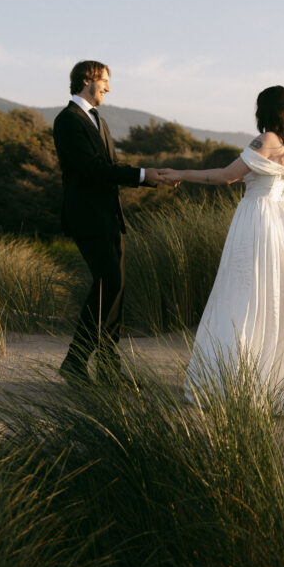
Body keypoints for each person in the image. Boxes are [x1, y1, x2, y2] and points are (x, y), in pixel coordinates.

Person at [159, 85, 284, 414]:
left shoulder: (264, 141)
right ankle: (280, 382)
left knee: (242, 295)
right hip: (282, 223)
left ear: (264, 110)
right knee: (279, 299)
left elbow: (225, 177)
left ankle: (234, 382)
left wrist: (180, 173)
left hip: (256, 221)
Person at [53, 59, 173, 384]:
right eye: (105, 80)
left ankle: (108, 368)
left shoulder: (98, 121)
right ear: (88, 79)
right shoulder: (67, 121)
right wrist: (143, 175)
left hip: (110, 218)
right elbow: (93, 169)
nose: (108, 86)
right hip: (86, 218)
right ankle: (75, 361)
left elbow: (112, 163)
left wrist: (152, 176)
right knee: (110, 284)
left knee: (116, 290)